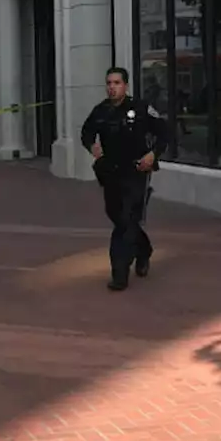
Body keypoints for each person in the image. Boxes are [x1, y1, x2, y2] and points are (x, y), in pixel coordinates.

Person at [80, 66, 170, 292]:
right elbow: (86, 132)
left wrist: (153, 154)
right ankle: (144, 249)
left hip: (136, 171)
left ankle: (119, 272)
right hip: (110, 172)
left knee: (127, 218)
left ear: (125, 85)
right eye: (109, 83)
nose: (112, 87)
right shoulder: (101, 111)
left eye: (116, 83)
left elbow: (164, 133)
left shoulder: (140, 108)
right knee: (117, 216)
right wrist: (92, 145)